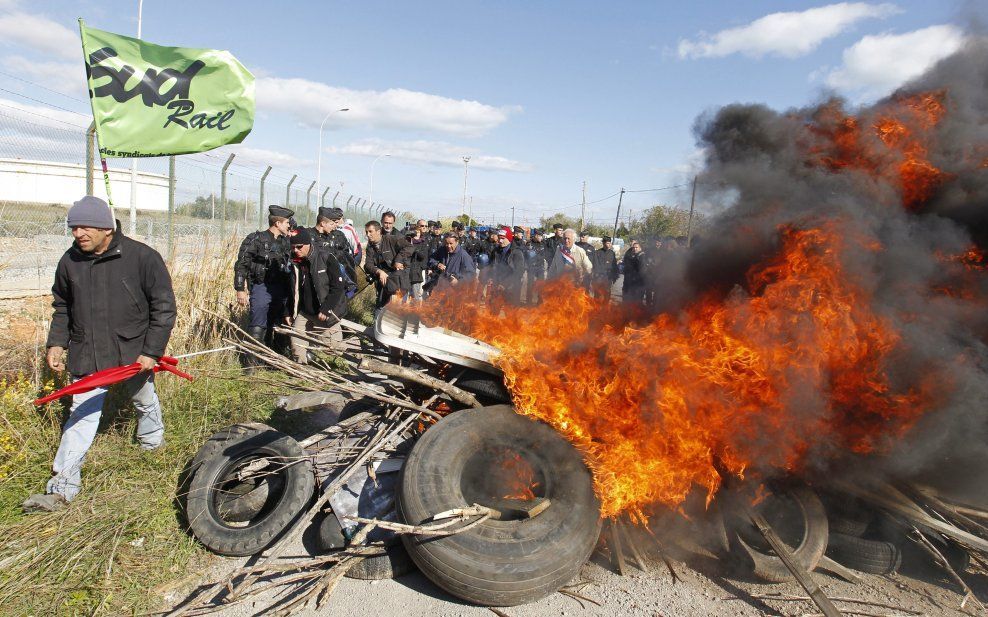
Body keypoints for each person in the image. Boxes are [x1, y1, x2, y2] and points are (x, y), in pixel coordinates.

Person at [24, 196, 176, 512]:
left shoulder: (142, 258)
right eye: (73, 227)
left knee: (144, 401)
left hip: (132, 353)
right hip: (88, 354)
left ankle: (152, 447)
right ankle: (61, 489)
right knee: (81, 416)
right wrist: (56, 343)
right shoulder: (70, 261)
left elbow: (163, 308)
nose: (77, 233)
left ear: (106, 228)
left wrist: (151, 351)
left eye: (84, 226)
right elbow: (63, 307)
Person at [234, 206, 293, 349]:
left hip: (281, 289)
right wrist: (240, 289)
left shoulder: (286, 242)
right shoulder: (256, 239)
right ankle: (252, 364)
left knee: (280, 324)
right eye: (287, 222)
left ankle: (276, 360)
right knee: (258, 324)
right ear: (277, 223)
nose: (289, 225)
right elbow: (242, 264)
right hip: (261, 287)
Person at [286, 229, 348, 364]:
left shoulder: (326, 258)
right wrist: (288, 311)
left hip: (325, 311)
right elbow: (292, 290)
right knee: (296, 338)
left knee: (334, 348)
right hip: (305, 312)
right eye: (293, 247)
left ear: (308, 244)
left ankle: (356, 353)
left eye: (299, 247)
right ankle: (300, 367)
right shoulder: (295, 263)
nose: (296, 250)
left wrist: (327, 308)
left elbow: (337, 287)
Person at [364, 220, 413, 308]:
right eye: (366, 232)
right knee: (381, 307)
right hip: (384, 282)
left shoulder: (392, 239)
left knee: (400, 309)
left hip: (399, 281)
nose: (368, 234)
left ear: (378, 231)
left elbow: (409, 247)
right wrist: (379, 271)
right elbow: (368, 265)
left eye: (370, 231)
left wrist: (398, 260)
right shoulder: (370, 247)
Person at [491, 227, 526, 305]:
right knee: (493, 311)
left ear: (509, 239)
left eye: (503, 238)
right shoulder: (495, 251)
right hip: (497, 285)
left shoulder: (517, 252)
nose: (500, 241)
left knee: (511, 313)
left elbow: (519, 272)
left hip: (512, 286)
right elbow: (491, 266)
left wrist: (505, 284)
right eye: (499, 238)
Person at [590, 236, 620, 302]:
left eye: (609, 243)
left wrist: (615, 276)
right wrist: (596, 275)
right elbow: (595, 264)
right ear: (603, 243)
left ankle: (605, 308)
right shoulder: (598, 252)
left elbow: (614, 265)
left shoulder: (612, 253)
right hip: (599, 277)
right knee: (597, 294)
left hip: (608, 277)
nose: (608, 245)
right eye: (607, 243)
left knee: (607, 294)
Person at [407, 220, 430, 302]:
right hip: (410, 269)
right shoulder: (408, 240)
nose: (424, 228)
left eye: (426, 226)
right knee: (409, 294)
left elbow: (425, 255)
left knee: (419, 293)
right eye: (422, 226)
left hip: (421, 269)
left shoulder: (426, 239)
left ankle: (417, 311)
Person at [525, 228, 549, 305]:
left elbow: (544, 254)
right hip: (531, 267)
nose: (541, 238)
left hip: (540, 267)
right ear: (536, 235)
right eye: (539, 236)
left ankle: (540, 302)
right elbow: (526, 255)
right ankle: (529, 301)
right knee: (530, 284)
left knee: (541, 285)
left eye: (541, 236)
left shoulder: (543, 243)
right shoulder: (529, 243)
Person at [621, 240, 645, 304]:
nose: (634, 249)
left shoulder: (642, 256)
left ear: (640, 248)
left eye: (636, 247)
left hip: (637, 283)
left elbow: (642, 270)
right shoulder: (631, 254)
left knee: (636, 301)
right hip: (629, 280)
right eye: (634, 247)